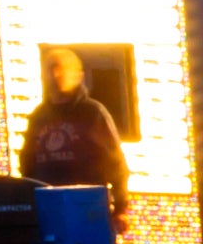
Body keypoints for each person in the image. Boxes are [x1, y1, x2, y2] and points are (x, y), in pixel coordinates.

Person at [20, 45, 131, 205]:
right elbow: (27, 162)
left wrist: (121, 206)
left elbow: (115, 163)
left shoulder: (92, 113)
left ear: (78, 75)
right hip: (49, 203)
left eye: (61, 69)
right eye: (50, 70)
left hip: (86, 204)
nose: (56, 75)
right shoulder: (39, 116)